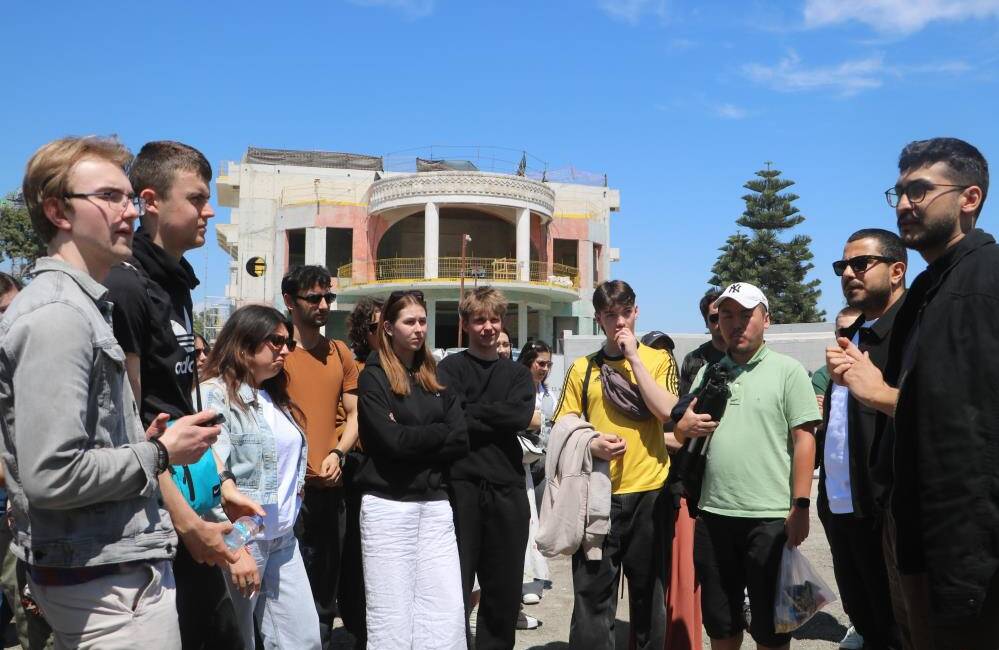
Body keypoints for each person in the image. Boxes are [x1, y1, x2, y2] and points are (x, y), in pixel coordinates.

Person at [0, 135, 220, 648]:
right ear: (57, 211)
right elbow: (52, 475)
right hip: (106, 588)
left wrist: (133, 439)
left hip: (109, 572)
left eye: (129, 196)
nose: (131, 211)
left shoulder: (82, 306)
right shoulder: (58, 316)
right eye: (110, 197)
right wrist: (160, 452)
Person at [828, 137, 999, 648]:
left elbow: (976, 420)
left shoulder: (980, 283)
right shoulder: (935, 287)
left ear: (969, 198)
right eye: (899, 192)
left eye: (920, 190)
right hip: (916, 532)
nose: (904, 203)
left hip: (965, 552)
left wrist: (880, 394)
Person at [103, 140, 248, 649]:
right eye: (197, 198)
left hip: (189, 498)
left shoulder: (178, 284)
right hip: (152, 515)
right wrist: (185, 523)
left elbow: (183, 404)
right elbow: (130, 426)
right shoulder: (126, 287)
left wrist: (220, 485)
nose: (209, 211)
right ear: (151, 201)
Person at [675, 282, 820, 650]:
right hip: (713, 515)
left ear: (766, 320)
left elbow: (804, 439)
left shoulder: (788, 371)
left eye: (745, 314)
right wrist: (681, 427)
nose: (735, 323)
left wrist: (801, 506)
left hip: (769, 519)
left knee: (772, 628)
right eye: (726, 315)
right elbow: (683, 434)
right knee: (721, 623)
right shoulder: (709, 373)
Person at [554, 279, 679, 649]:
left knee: (649, 597)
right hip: (597, 495)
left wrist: (634, 359)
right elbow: (562, 426)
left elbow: (667, 412)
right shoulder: (582, 369)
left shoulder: (658, 360)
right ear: (599, 319)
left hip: (650, 493)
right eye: (611, 315)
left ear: (636, 312)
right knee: (592, 598)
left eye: (626, 313)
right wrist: (591, 443)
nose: (620, 322)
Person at [199, 305, 320, 650]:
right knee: (236, 640)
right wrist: (234, 549)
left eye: (288, 343)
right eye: (276, 341)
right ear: (244, 342)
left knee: (304, 639)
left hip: (283, 538)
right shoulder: (214, 394)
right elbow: (210, 474)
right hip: (242, 538)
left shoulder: (273, 395)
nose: (285, 350)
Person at [354, 289, 468, 649]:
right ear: (388, 327)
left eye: (422, 321)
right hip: (388, 507)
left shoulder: (435, 375)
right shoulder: (373, 376)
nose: (419, 328)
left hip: (435, 504)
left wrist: (410, 435)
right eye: (409, 322)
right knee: (391, 615)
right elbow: (390, 442)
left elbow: (460, 438)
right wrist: (438, 432)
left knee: (445, 611)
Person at [818, 230, 907, 650]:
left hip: (885, 510)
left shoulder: (912, 331)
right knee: (867, 620)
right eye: (843, 266)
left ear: (896, 271)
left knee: (898, 627)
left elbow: (939, 408)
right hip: (841, 504)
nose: (848, 273)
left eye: (861, 264)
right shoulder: (852, 335)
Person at [437, 287, 536, 649]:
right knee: (454, 588)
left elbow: (520, 416)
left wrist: (471, 411)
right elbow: (452, 419)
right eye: (479, 320)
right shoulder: (449, 368)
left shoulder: (518, 374)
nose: (488, 327)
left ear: (502, 322)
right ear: (465, 324)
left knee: (503, 591)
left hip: (507, 490)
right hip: (459, 489)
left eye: (494, 319)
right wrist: (496, 416)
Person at [280, 265, 359, 649]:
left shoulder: (340, 352)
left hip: (329, 490)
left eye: (329, 297)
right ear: (289, 301)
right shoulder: (274, 353)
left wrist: (338, 453)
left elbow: (355, 416)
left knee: (324, 594)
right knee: (284, 594)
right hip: (283, 495)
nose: (324, 305)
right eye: (314, 298)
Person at [644, 325, 701, 650]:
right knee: (650, 579)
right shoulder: (635, 395)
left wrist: (654, 438)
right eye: (655, 351)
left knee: (681, 578)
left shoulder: (682, 399)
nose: (663, 356)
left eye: (667, 351)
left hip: (678, 493)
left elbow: (687, 438)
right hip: (644, 496)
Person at [338, 295, 384, 646]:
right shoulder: (356, 368)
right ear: (364, 332)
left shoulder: (415, 370)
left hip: (395, 476)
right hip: (361, 470)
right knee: (357, 557)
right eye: (377, 326)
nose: (385, 332)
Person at [517, 340, 555, 614]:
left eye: (548, 364)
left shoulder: (550, 394)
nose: (545, 369)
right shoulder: (517, 389)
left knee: (540, 526)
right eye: (540, 363)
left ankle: (535, 578)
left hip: (543, 466)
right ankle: (522, 580)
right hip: (520, 463)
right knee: (524, 523)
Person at [679, 291, 725, 396]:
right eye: (714, 318)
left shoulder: (746, 356)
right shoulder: (693, 360)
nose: (720, 322)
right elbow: (685, 400)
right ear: (706, 322)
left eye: (725, 316)